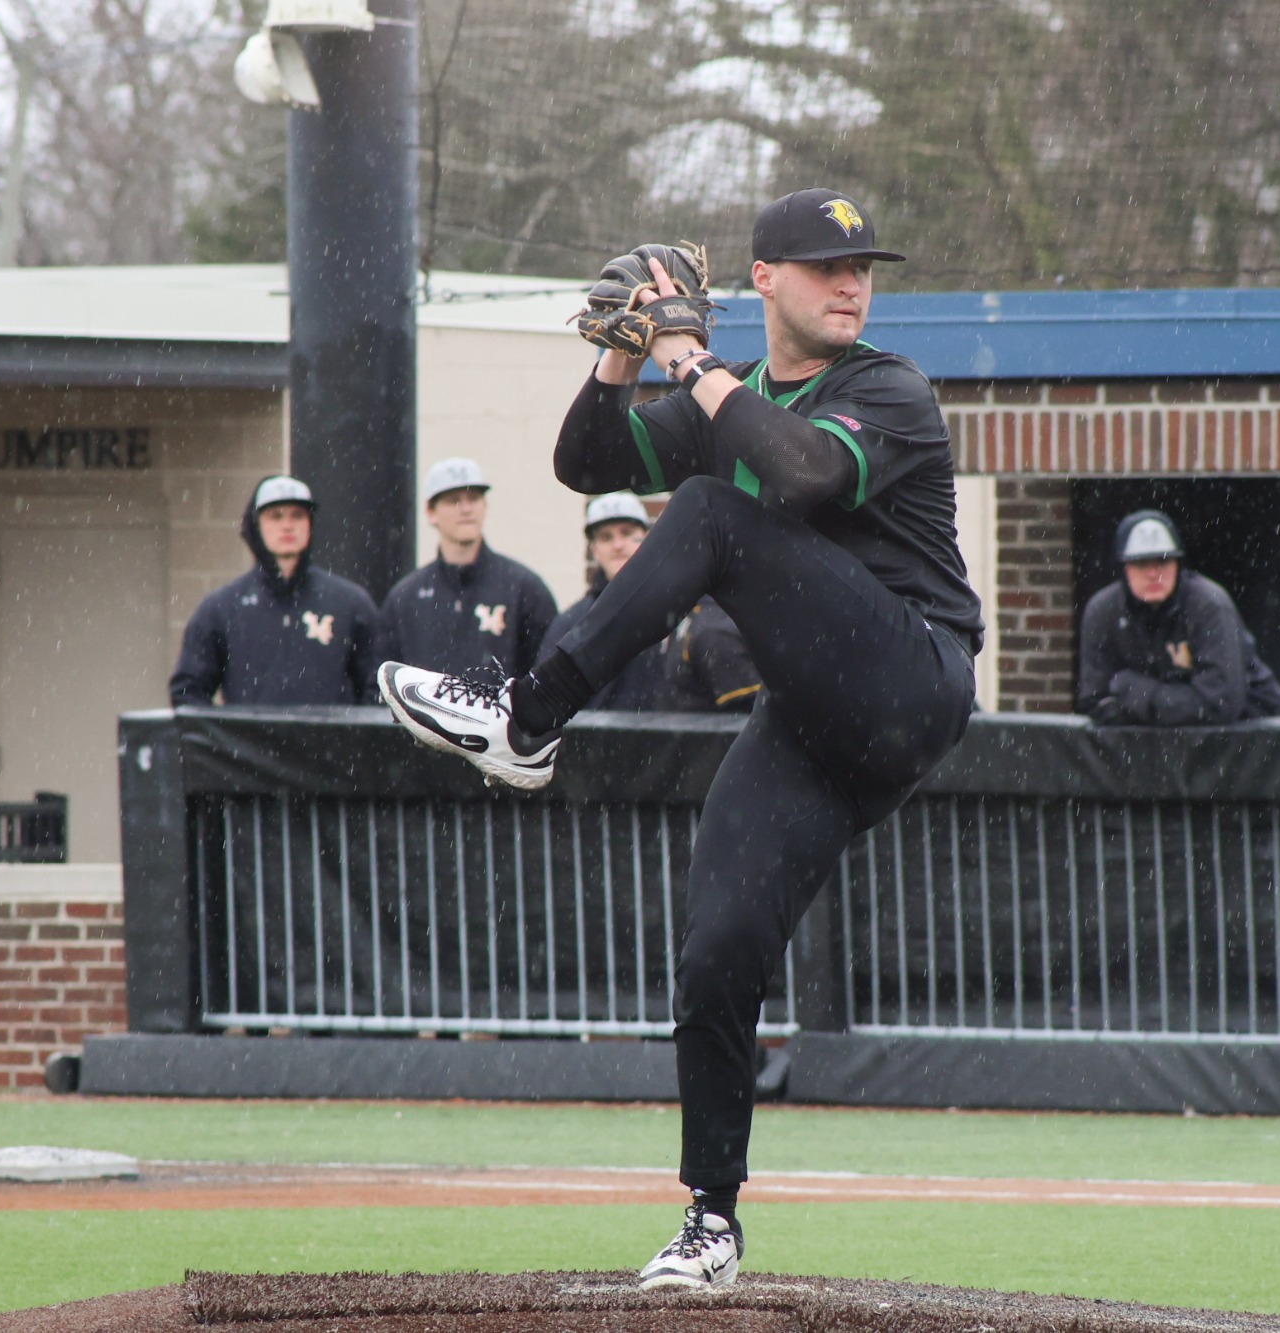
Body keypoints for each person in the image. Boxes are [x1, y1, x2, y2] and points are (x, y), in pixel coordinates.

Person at [377, 188, 981, 1288]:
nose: (849, 283)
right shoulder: (728, 390)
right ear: (765, 279)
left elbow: (797, 469)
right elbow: (582, 462)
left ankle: (523, 720)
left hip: (913, 677)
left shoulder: (888, 387)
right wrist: (618, 354)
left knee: (705, 507)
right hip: (809, 719)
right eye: (821, 265)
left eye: (861, 267)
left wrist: (685, 353)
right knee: (714, 954)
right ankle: (710, 1219)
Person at [169, 475, 381, 706]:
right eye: (275, 516)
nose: (287, 525)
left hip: (328, 743)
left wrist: (348, 738)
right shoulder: (222, 607)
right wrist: (225, 738)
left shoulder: (349, 603)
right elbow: (188, 691)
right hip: (247, 743)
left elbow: (377, 689)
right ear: (256, 525)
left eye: (297, 515)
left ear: (310, 523)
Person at [1075, 510, 1280, 724]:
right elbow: (1093, 702)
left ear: (1178, 565)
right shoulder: (1102, 611)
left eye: (1162, 561)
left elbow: (1219, 705)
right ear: (1124, 569)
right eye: (1141, 564)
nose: (1153, 574)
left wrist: (1138, 694)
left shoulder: (1209, 606)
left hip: (1257, 745)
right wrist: (1173, 706)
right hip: (1162, 750)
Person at [377, 457, 557, 679]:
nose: (466, 509)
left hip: (502, 714)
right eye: (453, 500)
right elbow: (382, 683)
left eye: (474, 498)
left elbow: (546, 677)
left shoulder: (524, 589)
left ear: (485, 506)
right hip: (425, 715)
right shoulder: (405, 598)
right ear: (430, 512)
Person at [537, 493, 668, 711]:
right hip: (595, 742)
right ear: (594, 550)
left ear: (646, 538)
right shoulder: (571, 624)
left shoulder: (677, 609)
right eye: (606, 537)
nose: (618, 545)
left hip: (674, 740)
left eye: (627, 533)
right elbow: (546, 701)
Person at [665, 597, 762, 713]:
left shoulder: (694, 612)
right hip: (709, 724)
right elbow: (754, 712)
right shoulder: (716, 631)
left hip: (676, 721)